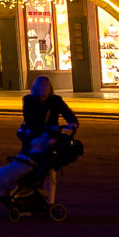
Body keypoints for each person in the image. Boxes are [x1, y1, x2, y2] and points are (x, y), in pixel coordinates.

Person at [20, 71, 77, 209]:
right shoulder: (29, 101)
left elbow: (68, 113)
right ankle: (26, 196)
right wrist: (50, 129)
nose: (44, 88)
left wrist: (73, 123)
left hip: (50, 139)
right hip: (35, 138)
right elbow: (31, 122)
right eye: (41, 85)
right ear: (36, 88)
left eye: (47, 85)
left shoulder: (55, 101)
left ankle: (49, 203)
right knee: (29, 166)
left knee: (50, 169)